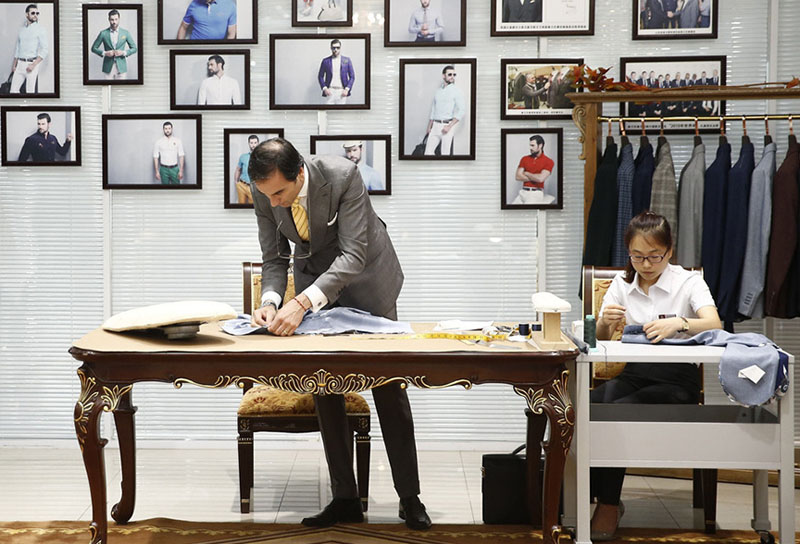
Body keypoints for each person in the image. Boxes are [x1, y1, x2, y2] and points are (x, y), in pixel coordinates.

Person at [247, 137, 431, 531]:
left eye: (280, 193)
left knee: (389, 389)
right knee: (324, 387)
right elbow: (274, 257)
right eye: (267, 196)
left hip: (368, 279)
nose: (274, 202)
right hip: (316, 285)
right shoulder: (267, 194)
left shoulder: (343, 175)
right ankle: (345, 498)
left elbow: (353, 255)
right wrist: (273, 298)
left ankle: (410, 498)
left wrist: (301, 303)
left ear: (300, 173)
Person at [591, 211, 721, 541]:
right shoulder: (622, 284)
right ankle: (582, 495)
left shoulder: (688, 281)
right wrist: (606, 320)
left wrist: (679, 323)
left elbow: (714, 323)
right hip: (634, 373)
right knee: (585, 405)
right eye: (637, 257)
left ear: (669, 251)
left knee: (613, 413)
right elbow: (603, 339)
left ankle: (607, 503)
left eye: (654, 257)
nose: (646, 265)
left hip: (677, 380)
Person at [424, 65, 465, 156]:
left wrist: (449, 126)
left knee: (445, 154)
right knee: (428, 153)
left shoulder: (456, 91)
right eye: (450, 74)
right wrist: (429, 126)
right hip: (435, 125)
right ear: (443, 76)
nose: (452, 77)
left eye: (454, 75)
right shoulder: (438, 91)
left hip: (447, 125)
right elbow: (434, 109)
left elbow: (461, 110)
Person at [9, 4, 48, 94]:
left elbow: (45, 49)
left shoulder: (41, 29)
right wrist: (14, 65)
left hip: (32, 63)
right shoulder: (21, 30)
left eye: (37, 13)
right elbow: (18, 48)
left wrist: (33, 65)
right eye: (33, 13)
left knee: (30, 92)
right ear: (27, 14)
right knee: (13, 91)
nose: (35, 15)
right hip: (20, 64)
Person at [90, 9, 137, 81]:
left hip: (121, 67)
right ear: (108, 19)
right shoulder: (103, 33)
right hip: (108, 67)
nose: (114, 22)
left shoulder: (125, 33)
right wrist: (105, 53)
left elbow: (134, 48)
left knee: (121, 90)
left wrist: (123, 52)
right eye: (112, 19)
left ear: (119, 19)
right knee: (107, 89)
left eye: (116, 19)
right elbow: (93, 48)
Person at [512, 135, 554, 205]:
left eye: (532, 145)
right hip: (522, 192)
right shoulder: (524, 159)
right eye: (530, 145)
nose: (530, 148)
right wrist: (535, 177)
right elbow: (518, 176)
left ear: (540, 145)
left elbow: (540, 179)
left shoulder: (548, 161)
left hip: (535, 194)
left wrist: (526, 173)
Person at [317, 39, 354, 105]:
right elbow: (320, 76)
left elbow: (352, 76)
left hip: (342, 91)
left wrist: (347, 89)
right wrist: (325, 88)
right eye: (333, 48)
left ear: (340, 48)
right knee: (328, 112)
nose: (335, 49)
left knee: (340, 113)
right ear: (331, 48)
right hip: (330, 91)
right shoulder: (325, 61)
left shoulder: (347, 60)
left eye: (338, 47)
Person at [233, 135, 258, 204]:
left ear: (258, 143)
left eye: (255, 142)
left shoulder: (261, 157)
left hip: (253, 187)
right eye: (251, 143)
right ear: (249, 144)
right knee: (241, 206)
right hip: (242, 185)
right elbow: (238, 169)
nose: (253, 145)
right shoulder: (243, 157)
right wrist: (236, 182)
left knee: (253, 207)